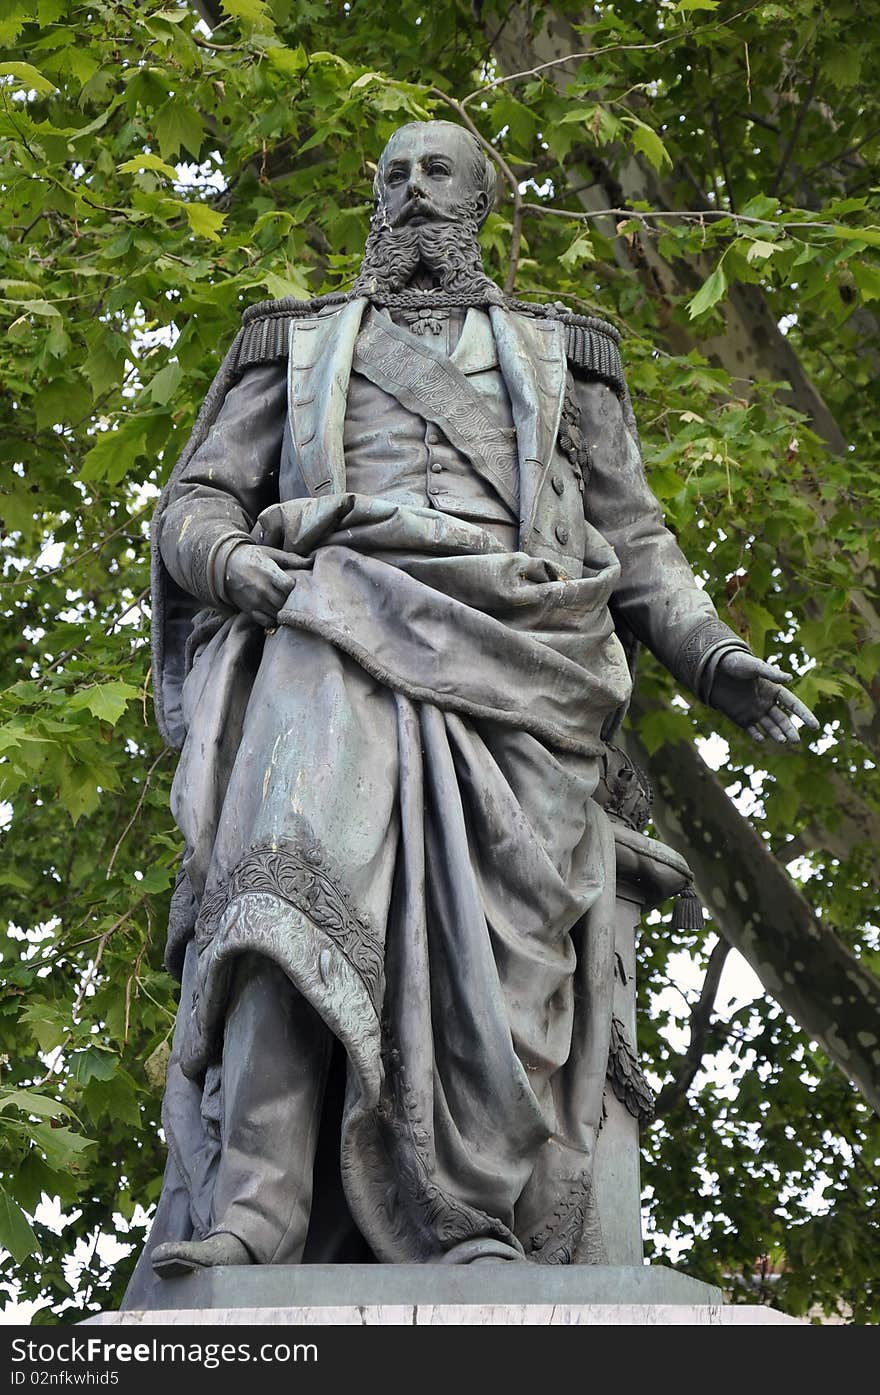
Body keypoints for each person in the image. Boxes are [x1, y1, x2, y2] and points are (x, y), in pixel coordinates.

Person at [124, 120, 815, 1303]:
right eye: (390, 175)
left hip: (525, 666)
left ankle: (470, 1220)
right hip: (329, 618)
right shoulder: (290, 347)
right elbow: (195, 501)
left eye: (435, 171)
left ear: (482, 198)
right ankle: (257, 1206)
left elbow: (637, 541)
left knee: (496, 963)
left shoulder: (562, 354)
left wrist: (713, 655)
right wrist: (234, 564)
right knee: (281, 883)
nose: (410, 192)